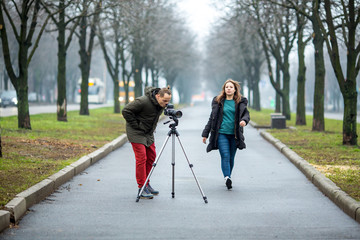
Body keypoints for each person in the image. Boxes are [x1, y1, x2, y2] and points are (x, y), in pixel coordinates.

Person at [122, 86, 172, 199]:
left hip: (148, 133)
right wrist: (137, 125)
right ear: (158, 96)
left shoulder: (159, 104)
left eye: (168, 101)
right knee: (141, 158)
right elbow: (126, 111)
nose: (166, 103)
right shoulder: (143, 101)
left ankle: (146, 183)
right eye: (164, 100)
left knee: (151, 157)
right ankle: (141, 187)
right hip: (136, 132)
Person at [202, 79, 250, 190]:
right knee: (225, 155)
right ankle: (227, 177)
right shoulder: (218, 102)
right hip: (221, 133)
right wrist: (205, 134)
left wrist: (244, 121)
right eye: (226, 87)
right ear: (224, 89)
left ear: (235, 89)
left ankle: (228, 177)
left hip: (235, 134)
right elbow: (212, 119)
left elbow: (246, 115)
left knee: (231, 158)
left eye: (231, 87)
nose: (228, 88)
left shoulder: (240, 102)